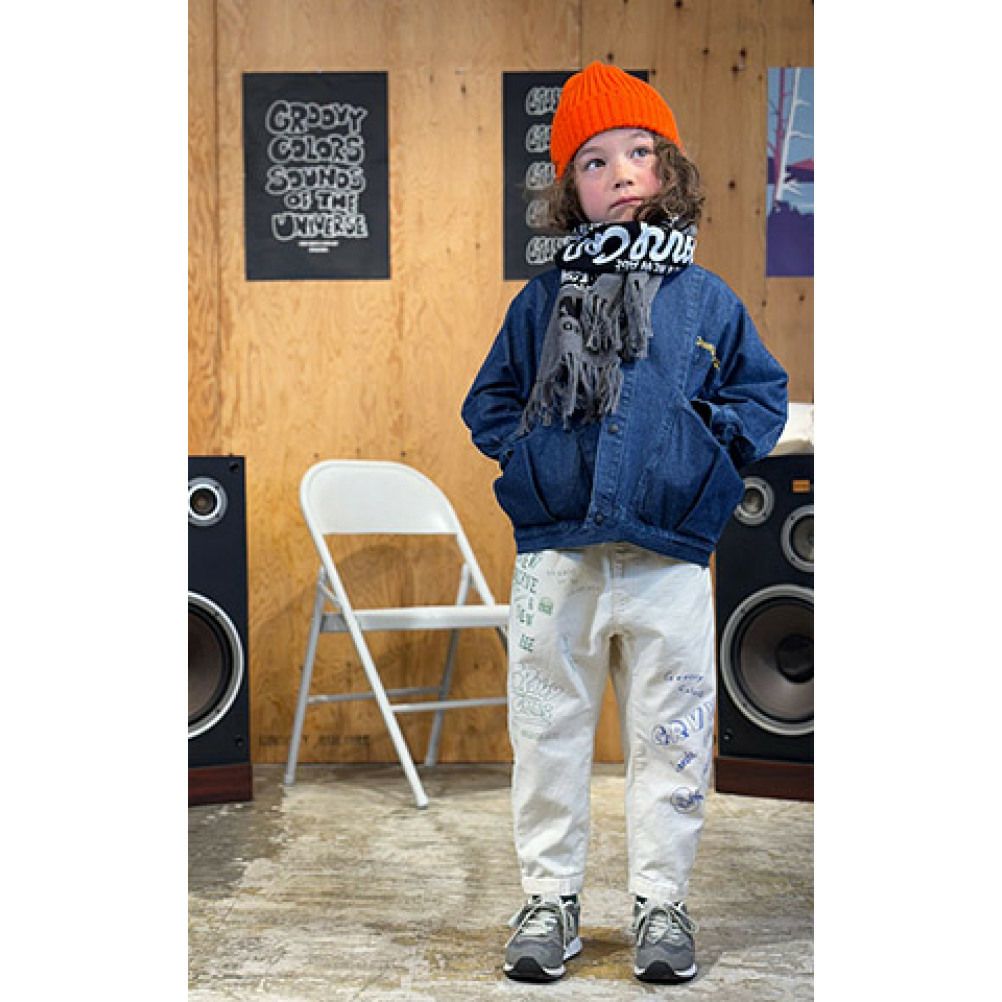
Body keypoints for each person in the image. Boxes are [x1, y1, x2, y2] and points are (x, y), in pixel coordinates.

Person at [461, 61, 788, 984]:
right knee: (547, 732)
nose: (619, 174)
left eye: (638, 152)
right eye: (594, 161)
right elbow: (490, 402)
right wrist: (534, 461)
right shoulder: (542, 302)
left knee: (672, 735)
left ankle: (660, 903)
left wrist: (701, 456)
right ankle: (549, 900)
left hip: (668, 559)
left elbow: (760, 395)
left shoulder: (708, 300)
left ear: (668, 167)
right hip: (557, 559)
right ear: (571, 188)